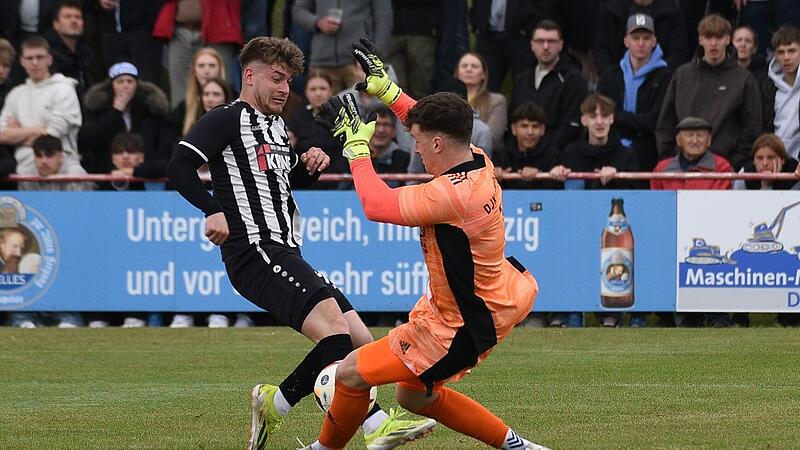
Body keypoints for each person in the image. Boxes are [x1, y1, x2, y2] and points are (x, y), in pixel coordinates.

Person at [165, 37, 434, 449]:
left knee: (360, 341)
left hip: (284, 250)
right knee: (334, 333)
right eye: (276, 78)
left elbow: (282, 180)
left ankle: (275, 402)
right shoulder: (225, 119)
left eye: (288, 80)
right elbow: (179, 166)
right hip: (254, 249)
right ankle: (376, 424)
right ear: (249, 75)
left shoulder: (276, 127)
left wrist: (309, 166)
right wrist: (211, 209)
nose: (284, 88)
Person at [302, 36, 548, 450]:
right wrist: (387, 90)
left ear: (436, 144)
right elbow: (426, 122)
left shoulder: (450, 195)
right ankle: (517, 446)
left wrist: (356, 148)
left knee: (349, 373)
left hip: (459, 326)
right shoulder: (476, 157)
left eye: (417, 141)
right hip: (484, 304)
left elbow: (376, 204)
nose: (414, 146)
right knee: (413, 396)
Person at [656, 14, 762, 171]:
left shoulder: (744, 79)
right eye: (708, 37)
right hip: (680, 168)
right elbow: (666, 122)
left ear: (728, 39)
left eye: (719, 37)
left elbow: (752, 128)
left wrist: (733, 164)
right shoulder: (682, 75)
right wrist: (669, 160)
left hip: (724, 168)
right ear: (700, 40)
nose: (713, 43)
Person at [597, 13, 671, 172]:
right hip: (611, 150)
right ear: (626, 41)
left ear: (654, 41)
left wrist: (618, 116)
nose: (641, 43)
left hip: (648, 155)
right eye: (636, 38)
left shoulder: (665, 77)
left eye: (646, 38)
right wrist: (634, 121)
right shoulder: (610, 75)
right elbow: (601, 114)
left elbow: (655, 121)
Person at [0, 35, 81, 175]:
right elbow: (2, 135)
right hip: (24, 170)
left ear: (49, 59)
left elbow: (52, 135)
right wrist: (38, 130)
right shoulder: (15, 94)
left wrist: (18, 135)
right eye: (29, 58)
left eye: (40, 57)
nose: (35, 62)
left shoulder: (64, 89)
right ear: (22, 62)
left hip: (63, 169)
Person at [79, 62, 170, 177]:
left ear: (137, 86)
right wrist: (116, 111)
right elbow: (90, 142)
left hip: (144, 175)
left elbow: (163, 154)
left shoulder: (151, 111)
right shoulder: (97, 110)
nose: (125, 86)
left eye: (130, 81)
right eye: (120, 81)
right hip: (108, 174)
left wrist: (135, 171)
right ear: (112, 86)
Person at [511, 19, 587, 149]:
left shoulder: (573, 79)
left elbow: (571, 126)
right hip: (520, 154)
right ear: (532, 45)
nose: (546, 46)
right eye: (540, 41)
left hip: (556, 154)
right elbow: (513, 120)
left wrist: (545, 153)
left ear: (560, 45)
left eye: (551, 41)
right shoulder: (522, 80)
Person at [152, 0, 242, 108]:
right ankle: (183, 119)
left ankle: (225, 119)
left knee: (221, 88)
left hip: (219, 26)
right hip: (179, 29)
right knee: (180, 94)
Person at [293, 0, 393, 93]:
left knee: (364, 105)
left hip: (359, 63)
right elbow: (299, 10)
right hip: (322, 62)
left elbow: (384, 18)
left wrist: (375, 55)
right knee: (322, 106)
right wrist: (317, 22)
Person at [286, 69, 348, 189]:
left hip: (339, 181)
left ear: (331, 91)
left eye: (322, 88)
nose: (318, 93)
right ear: (305, 92)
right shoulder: (296, 115)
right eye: (313, 89)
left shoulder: (342, 116)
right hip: (304, 180)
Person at [594, 0, 688, 75]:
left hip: (659, 83)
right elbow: (601, 48)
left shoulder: (671, 11)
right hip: (616, 80)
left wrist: (660, 77)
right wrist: (611, 77)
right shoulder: (611, 10)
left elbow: (678, 52)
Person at [492, 102, 561, 190]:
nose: (530, 132)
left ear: (542, 130)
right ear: (513, 129)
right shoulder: (500, 155)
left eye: (535, 127)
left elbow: (555, 188)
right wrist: (495, 177)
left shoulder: (553, 155)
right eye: (524, 126)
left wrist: (538, 176)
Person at [456, 51, 507, 151]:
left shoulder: (497, 101)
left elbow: (491, 139)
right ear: (457, 73)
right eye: (464, 66)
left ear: (483, 74)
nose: (469, 69)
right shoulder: (445, 101)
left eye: (474, 66)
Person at [763, 25, 800, 160]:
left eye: (792, 51)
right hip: (774, 160)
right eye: (780, 52)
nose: (786, 57)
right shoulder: (767, 88)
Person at [43, 1, 93, 97]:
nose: (74, 21)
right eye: (67, 17)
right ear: (56, 24)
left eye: (78, 17)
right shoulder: (48, 53)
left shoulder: (86, 52)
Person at [366, 103, 409, 188]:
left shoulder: (405, 160)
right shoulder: (353, 158)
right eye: (376, 124)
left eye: (386, 125)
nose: (381, 130)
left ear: (394, 130)